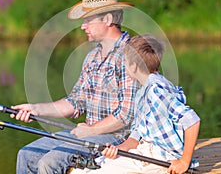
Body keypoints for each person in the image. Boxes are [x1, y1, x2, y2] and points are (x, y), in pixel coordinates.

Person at [10, 0, 140, 174]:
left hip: (117, 137)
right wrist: (35, 109)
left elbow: (126, 116)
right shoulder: (93, 57)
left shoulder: (130, 55)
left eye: (88, 20)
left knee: (50, 162)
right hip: (89, 132)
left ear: (108, 19)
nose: (82, 26)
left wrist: (91, 130)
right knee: (27, 153)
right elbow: (75, 103)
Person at [73, 34, 200, 174]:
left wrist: (184, 161)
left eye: (125, 62)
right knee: (95, 164)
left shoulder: (156, 90)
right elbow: (136, 136)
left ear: (133, 66)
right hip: (143, 152)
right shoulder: (143, 91)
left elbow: (191, 120)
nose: (124, 66)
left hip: (160, 158)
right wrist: (117, 150)